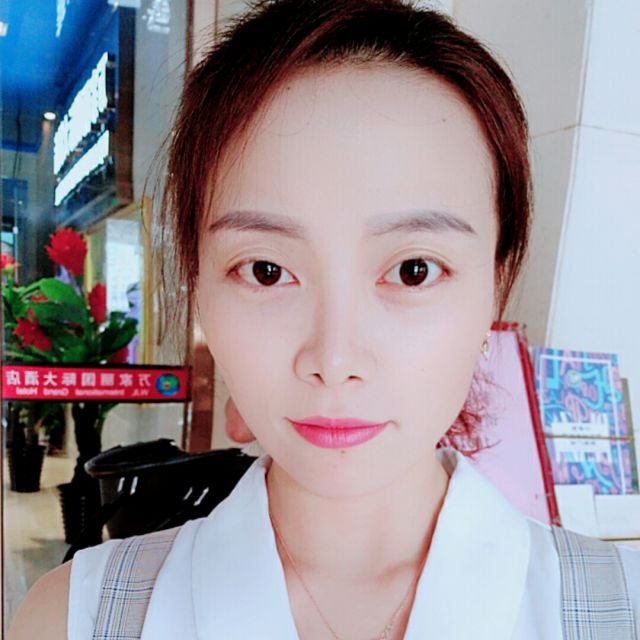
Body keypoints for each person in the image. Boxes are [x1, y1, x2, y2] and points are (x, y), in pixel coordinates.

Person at [9, 1, 640, 638]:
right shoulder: (75, 618)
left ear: (496, 288)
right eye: (266, 271)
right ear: (199, 287)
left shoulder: (620, 608)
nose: (335, 360)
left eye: (413, 270)